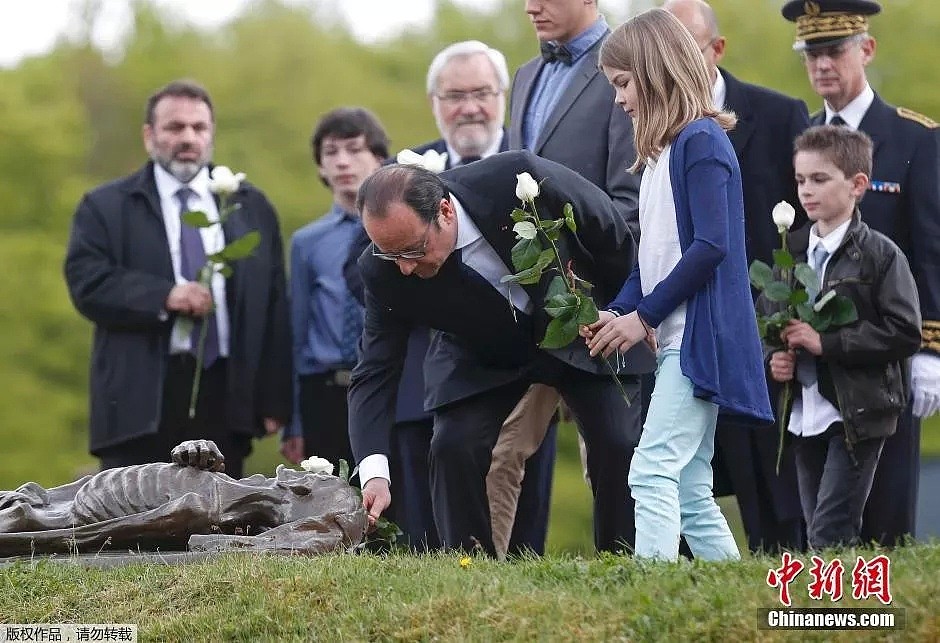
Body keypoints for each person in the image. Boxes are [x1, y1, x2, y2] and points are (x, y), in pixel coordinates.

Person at [349, 152, 651, 557]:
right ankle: (470, 567)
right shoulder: (382, 269)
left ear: (444, 211)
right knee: (452, 445)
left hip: (581, 325)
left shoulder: (519, 179)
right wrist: (374, 474)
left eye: (413, 249)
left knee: (617, 440)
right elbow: (374, 371)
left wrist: (624, 313)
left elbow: (612, 235)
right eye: (391, 255)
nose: (404, 268)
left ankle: (624, 560)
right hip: (482, 350)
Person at [585, 8, 773, 561]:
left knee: (650, 470)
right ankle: (732, 594)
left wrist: (642, 317)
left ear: (655, 70)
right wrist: (620, 308)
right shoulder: (662, 155)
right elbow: (656, 257)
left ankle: (652, 595)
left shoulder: (702, 141)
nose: (619, 100)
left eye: (623, 84)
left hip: (699, 337)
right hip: (675, 335)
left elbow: (711, 246)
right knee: (689, 488)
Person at [64, 79, 292, 480]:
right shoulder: (106, 206)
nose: (188, 138)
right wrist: (165, 295)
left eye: (199, 128)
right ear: (149, 135)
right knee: (132, 523)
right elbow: (87, 282)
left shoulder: (249, 207)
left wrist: (273, 399)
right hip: (139, 397)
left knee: (219, 523)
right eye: (175, 127)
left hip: (225, 391)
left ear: (211, 134)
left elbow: (274, 304)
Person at [489, 0, 648, 559]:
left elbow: (628, 203)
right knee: (500, 446)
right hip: (528, 309)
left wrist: (588, 287)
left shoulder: (628, 68)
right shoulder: (525, 75)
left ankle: (625, 579)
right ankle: (478, 585)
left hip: (601, 310)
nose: (530, 6)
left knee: (613, 453)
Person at [783, 0, 940, 546]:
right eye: (812, 54)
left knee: (886, 510)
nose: (822, 65)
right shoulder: (800, 137)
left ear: (866, 50)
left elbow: (930, 250)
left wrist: (929, 351)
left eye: (834, 51)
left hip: (888, 355)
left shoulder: (916, 139)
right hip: (817, 373)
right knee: (824, 514)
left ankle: (882, 616)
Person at [664, 0, 810, 553]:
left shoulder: (778, 115)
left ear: (716, 49)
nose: (675, 65)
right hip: (682, 328)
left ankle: (785, 594)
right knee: (684, 480)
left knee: (770, 492)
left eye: (688, 49)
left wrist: (775, 308)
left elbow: (803, 224)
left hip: (760, 334)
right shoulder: (653, 125)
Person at [764, 125, 921, 548]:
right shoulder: (789, 253)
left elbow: (905, 332)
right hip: (803, 414)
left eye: (819, 179)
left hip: (856, 414)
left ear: (857, 185)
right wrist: (774, 359)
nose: (806, 191)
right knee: (821, 529)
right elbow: (769, 322)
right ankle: (834, 605)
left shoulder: (881, 255)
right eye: (800, 180)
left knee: (830, 531)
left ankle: (834, 612)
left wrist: (826, 343)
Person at [0, 440, 366, 556]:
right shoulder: (220, 483)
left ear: (299, 491)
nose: (290, 472)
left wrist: (49, 536)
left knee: (26, 514)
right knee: (31, 505)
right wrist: (200, 454)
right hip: (104, 488)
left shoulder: (203, 511)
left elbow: (113, 530)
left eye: (305, 481)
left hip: (97, 506)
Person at [281, 107, 388, 473]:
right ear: (320, 167)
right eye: (331, 152)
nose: (343, 162)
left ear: (379, 158)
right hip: (323, 392)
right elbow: (296, 333)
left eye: (354, 149)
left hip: (383, 386)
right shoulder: (306, 242)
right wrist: (292, 420)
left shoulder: (398, 232)